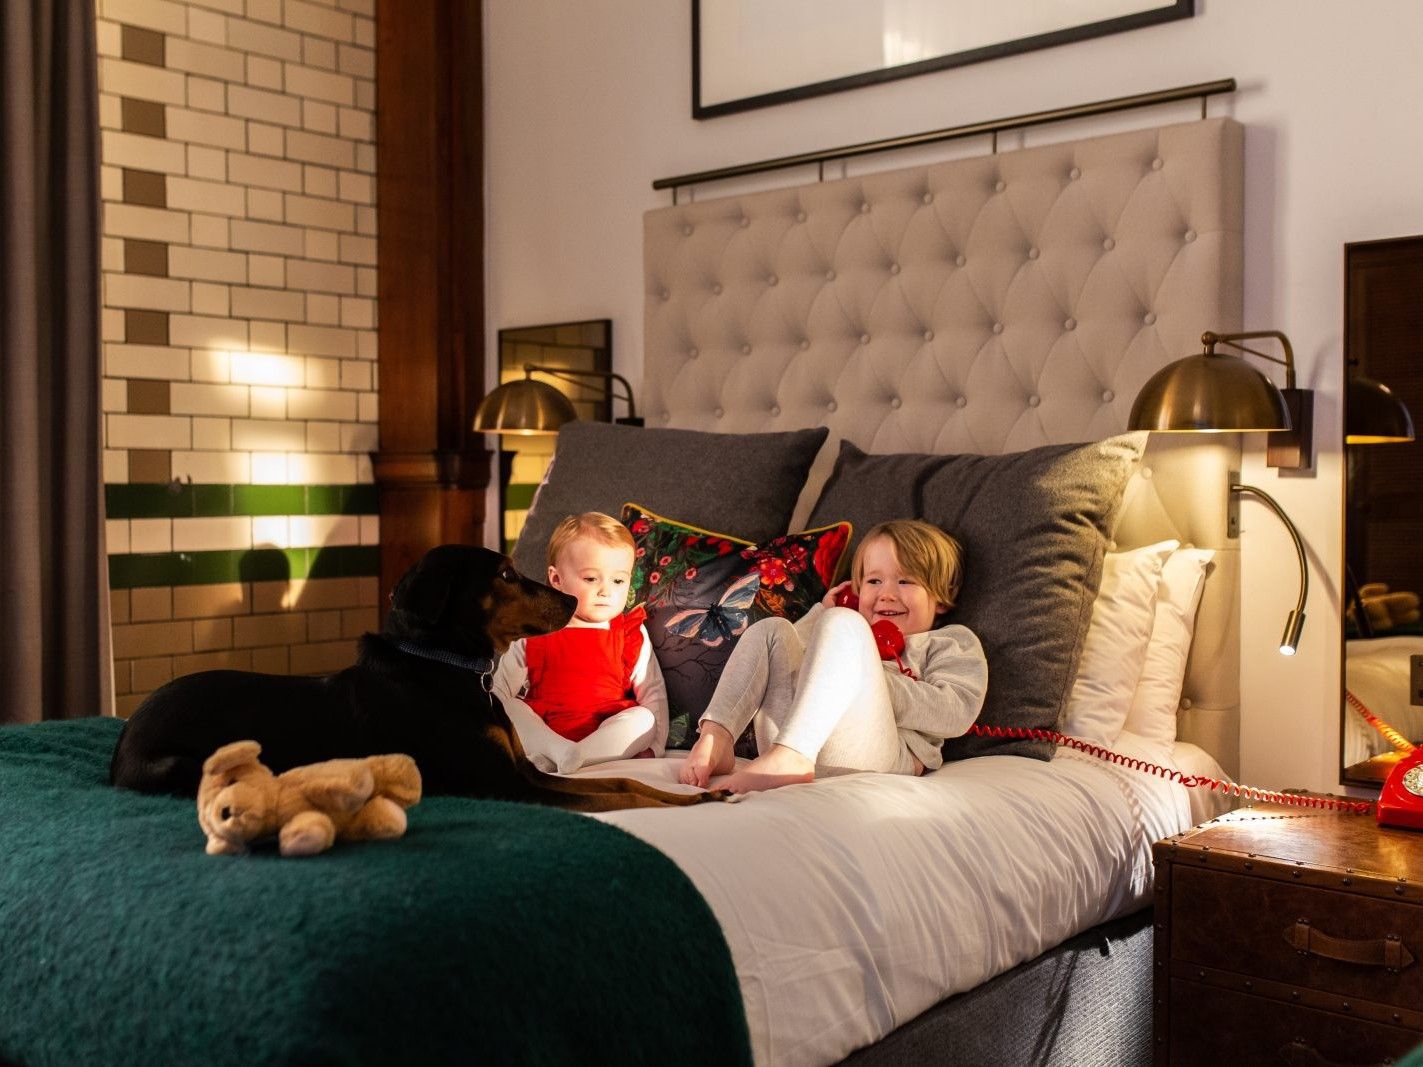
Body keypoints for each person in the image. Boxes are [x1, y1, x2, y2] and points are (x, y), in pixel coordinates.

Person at [679, 519, 987, 794]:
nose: (887, 594)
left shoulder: (950, 641)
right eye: (874, 581)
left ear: (942, 595)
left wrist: (867, 679)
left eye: (905, 581)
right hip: (785, 735)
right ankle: (717, 736)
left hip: (877, 754)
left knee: (844, 623)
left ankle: (792, 755)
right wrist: (822, 614)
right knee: (773, 630)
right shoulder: (843, 628)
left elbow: (956, 711)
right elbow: (791, 657)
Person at [493, 512, 668, 774]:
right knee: (505, 705)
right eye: (591, 579)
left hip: (604, 731)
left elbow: (652, 692)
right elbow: (500, 689)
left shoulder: (629, 632)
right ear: (556, 580)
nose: (606, 591)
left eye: (618, 580)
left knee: (644, 719)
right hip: (546, 729)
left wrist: (654, 745)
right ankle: (557, 752)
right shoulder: (535, 631)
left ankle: (577, 756)